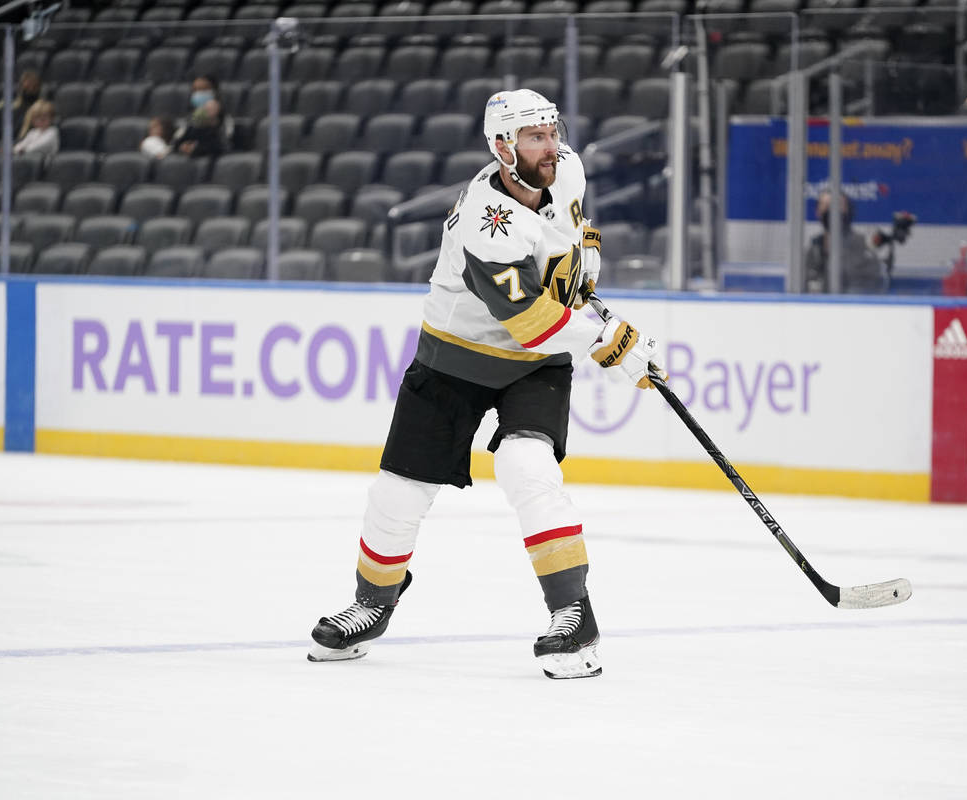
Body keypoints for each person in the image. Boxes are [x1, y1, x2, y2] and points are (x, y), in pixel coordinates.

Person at [307, 89, 662, 680]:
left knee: (528, 469)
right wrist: (612, 341)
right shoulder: (485, 222)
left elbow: (576, 229)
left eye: (553, 131)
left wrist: (587, 262)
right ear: (503, 147)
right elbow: (528, 321)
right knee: (398, 493)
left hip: (535, 366)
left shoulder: (565, 167)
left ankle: (573, 614)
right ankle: (372, 602)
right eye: (536, 137)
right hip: (453, 359)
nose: (553, 146)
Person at [804, 190, 887, 294]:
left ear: (848, 211)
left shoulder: (863, 249)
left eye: (837, 206)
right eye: (826, 206)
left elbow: (870, 290)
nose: (831, 212)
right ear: (818, 212)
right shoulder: (813, 249)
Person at [171, 76, 232, 158]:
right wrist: (182, 146)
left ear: (215, 91)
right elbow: (177, 141)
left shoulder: (225, 120)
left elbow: (223, 145)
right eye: (196, 89)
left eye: (204, 89)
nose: (199, 93)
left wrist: (198, 148)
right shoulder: (190, 120)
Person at [0, 69, 45, 146]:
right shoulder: (4, 107)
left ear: (39, 88)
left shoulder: (43, 110)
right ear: (20, 87)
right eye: (27, 87)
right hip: (2, 148)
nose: (30, 90)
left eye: (34, 87)